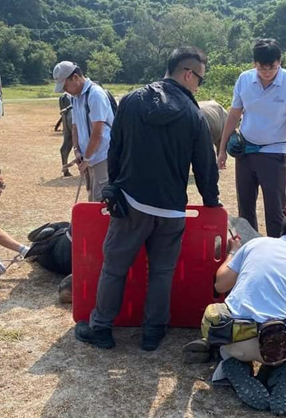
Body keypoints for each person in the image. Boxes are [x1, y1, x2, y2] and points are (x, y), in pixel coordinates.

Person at [74, 46, 221, 351]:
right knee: (162, 272)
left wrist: (112, 188)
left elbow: (115, 149)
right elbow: (205, 165)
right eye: (201, 80)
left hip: (130, 204)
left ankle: (101, 327)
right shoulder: (194, 115)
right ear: (188, 73)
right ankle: (153, 332)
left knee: (114, 268)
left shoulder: (131, 100)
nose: (199, 86)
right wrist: (211, 201)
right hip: (171, 211)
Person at [184, 213, 286, 415]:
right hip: (276, 345)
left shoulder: (255, 245)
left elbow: (221, 284)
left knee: (229, 332)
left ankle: (229, 364)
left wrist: (233, 253)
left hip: (235, 338)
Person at [217, 38, 286, 238]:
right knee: (245, 208)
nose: (267, 73)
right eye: (261, 68)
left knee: (275, 211)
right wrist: (222, 149)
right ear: (254, 64)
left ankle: (276, 253)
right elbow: (234, 115)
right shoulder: (244, 79)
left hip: (274, 153)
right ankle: (249, 250)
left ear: (280, 62)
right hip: (245, 153)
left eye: (272, 68)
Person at [53, 61, 114, 201]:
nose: (65, 90)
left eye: (65, 86)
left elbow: (97, 134)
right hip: (89, 158)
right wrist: (77, 151)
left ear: (75, 77)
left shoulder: (95, 95)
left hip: (102, 158)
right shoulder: (74, 98)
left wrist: (86, 159)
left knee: (101, 202)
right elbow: (74, 127)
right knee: (91, 198)